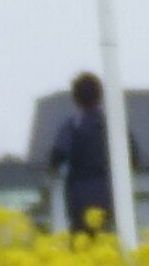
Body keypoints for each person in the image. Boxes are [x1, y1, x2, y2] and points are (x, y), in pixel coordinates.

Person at [47, 71, 136, 235]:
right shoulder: (114, 124)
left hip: (79, 197)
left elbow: (56, 158)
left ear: (75, 98)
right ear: (100, 95)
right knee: (110, 240)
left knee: (82, 245)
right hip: (111, 195)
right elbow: (134, 158)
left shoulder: (73, 126)